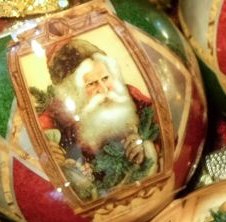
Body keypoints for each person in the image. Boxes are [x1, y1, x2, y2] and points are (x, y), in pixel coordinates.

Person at [34, 38, 159, 201]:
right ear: (74, 92)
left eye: (105, 78)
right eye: (92, 84)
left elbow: (164, 128)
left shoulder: (130, 97)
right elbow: (41, 139)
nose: (103, 89)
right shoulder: (61, 117)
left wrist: (144, 143)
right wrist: (52, 154)